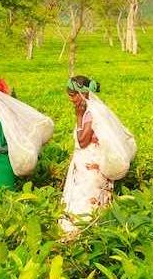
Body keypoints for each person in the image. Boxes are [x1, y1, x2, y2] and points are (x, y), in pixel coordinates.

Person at [61, 75, 114, 233]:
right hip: (87, 167)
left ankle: (80, 235)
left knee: (85, 203)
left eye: (72, 95)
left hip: (90, 170)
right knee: (89, 203)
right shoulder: (90, 112)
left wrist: (78, 116)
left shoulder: (90, 113)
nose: (71, 100)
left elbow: (83, 141)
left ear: (81, 94)